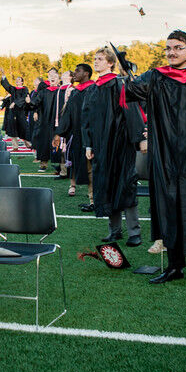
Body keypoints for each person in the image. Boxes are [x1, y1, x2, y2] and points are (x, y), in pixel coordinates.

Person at [124, 31, 186, 285]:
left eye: (177, 48)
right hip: (165, 155)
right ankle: (174, 267)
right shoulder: (156, 76)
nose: (171, 52)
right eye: (168, 48)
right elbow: (132, 92)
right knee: (169, 209)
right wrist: (127, 72)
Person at [82, 47, 140, 246]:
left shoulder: (120, 84)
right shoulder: (92, 89)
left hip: (121, 144)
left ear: (110, 63)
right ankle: (114, 231)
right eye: (95, 58)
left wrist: (136, 139)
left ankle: (134, 232)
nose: (96, 62)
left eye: (100, 59)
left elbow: (131, 113)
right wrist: (88, 144)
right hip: (101, 147)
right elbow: (86, 119)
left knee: (126, 185)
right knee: (107, 186)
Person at [58, 64, 94, 201]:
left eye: (78, 71)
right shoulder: (75, 92)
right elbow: (67, 114)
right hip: (77, 135)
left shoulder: (94, 89)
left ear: (86, 73)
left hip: (91, 134)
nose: (74, 73)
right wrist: (59, 133)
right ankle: (91, 198)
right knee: (80, 163)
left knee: (92, 167)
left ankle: (93, 198)